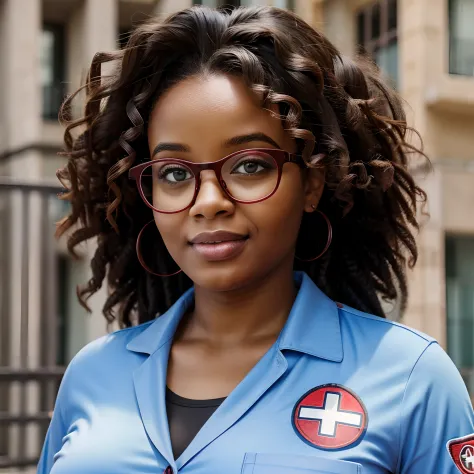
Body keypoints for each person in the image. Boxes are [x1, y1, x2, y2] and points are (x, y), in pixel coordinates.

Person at [38, 5, 474, 474]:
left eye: (250, 165)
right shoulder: (92, 375)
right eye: (174, 172)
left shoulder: (410, 379)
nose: (207, 201)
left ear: (312, 182)